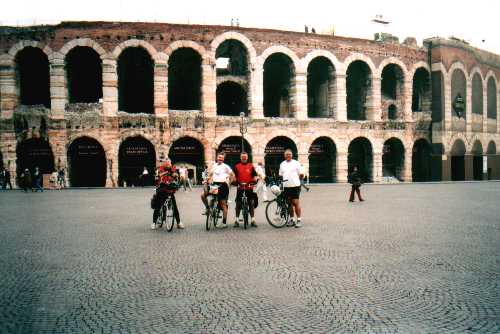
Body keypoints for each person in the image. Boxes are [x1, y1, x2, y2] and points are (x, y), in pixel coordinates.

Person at [201, 153, 234, 228]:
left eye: (222, 158)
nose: (220, 159)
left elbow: (232, 175)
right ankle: (207, 208)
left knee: (223, 204)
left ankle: (224, 222)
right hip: (214, 184)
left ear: (223, 159)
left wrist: (229, 183)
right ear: (217, 158)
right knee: (203, 195)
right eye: (219, 157)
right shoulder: (214, 165)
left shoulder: (226, 166)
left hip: (223, 185)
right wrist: (207, 179)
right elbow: (210, 174)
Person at [152, 158, 184, 230]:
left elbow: (175, 174)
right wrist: (165, 173)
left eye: (169, 163)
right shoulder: (161, 168)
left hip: (169, 188)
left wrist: (176, 175)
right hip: (162, 188)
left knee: (175, 207)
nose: (168, 164)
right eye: (166, 163)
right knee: (158, 205)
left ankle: (179, 223)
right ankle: (153, 222)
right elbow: (159, 175)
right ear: (164, 164)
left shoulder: (172, 168)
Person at [279, 149, 305, 228]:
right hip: (286, 186)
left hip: (295, 186)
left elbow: (301, 173)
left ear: (292, 155)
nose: (288, 156)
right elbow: (280, 175)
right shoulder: (282, 164)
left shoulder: (296, 163)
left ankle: (299, 220)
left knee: (295, 202)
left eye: (289, 154)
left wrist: (299, 178)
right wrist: (281, 184)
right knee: (289, 203)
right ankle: (292, 219)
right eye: (286, 154)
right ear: (284, 155)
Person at [233, 152, 258, 227]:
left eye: (245, 157)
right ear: (240, 158)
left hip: (249, 187)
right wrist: (234, 182)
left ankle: (253, 220)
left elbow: (255, 176)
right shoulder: (237, 166)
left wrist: (255, 181)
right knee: (238, 203)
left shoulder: (251, 166)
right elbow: (234, 176)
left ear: (247, 157)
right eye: (242, 157)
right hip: (240, 187)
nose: (244, 158)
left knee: (251, 203)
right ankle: (236, 220)